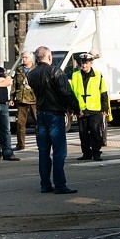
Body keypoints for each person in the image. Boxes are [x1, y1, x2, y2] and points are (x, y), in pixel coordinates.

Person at [28, 46, 81, 194]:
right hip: (55, 114)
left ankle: (45, 184)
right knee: (59, 152)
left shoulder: (31, 74)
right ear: (49, 57)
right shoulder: (55, 71)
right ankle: (60, 185)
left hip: (41, 114)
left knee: (43, 152)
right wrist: (76, 109)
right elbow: (66, 93)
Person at [70, 52, 111, 161]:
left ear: (91, 63)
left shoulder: (98, 75)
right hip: (81, 109)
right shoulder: (75, 75)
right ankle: (86, 153)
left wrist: (104, 108)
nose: (84, 65)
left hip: (94, 109)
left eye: (87, 63)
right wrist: (73, 108)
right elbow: (72, 93)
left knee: (95, 132)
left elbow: (103, 92)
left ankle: (96, 153)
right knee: (83, 133)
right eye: (83, 63)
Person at [11, 50, 37, 151]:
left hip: (34, 98)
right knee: (20, 123)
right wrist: (12, 97)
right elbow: (14, 84)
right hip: (21, 98)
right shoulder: (19, 69)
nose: (23, 59)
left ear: (31, 59)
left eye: (26, 58)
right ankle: (20, 144)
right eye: (22, 57)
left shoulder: (36, 69)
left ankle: (42, 143)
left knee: (38, 122)